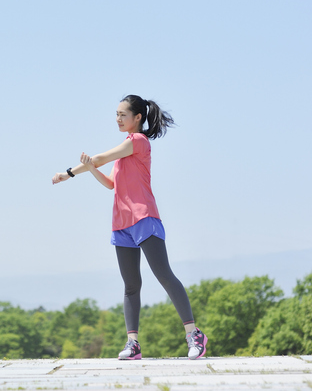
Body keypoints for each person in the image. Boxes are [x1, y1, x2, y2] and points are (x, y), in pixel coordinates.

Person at [51, 95, 208, 360]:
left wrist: (69, 172)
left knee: (164, 275)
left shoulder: (138, 141)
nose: (118, 119)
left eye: (123, 114)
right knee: (131, 285)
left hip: (144, 218)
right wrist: (90, 169)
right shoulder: (125, 151)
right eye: (116, 114)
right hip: (122, 223)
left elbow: (99, 157)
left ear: (138, 118)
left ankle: (194, 334)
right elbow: (111, 183)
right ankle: (132, 343)